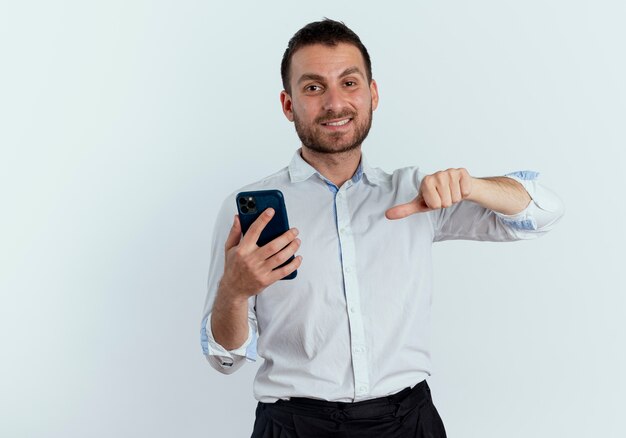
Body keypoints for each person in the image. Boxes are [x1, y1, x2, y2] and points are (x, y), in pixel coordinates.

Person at [200, 18, 564, 438]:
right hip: (294, 427)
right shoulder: (246, 210)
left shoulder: (417, 194)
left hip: (409, 423)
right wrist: (234, 292)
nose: (335, 103)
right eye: (314, 87)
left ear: (372, 94)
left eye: (350, 83)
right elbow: (223, 359)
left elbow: (545, 212)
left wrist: (474, 186)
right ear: (288, 104)